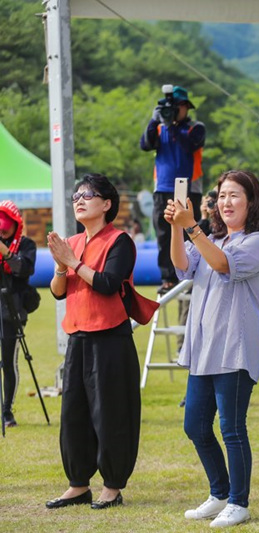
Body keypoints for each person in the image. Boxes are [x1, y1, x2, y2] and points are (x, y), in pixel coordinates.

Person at [165, 170, 259, 528]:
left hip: (236, 347)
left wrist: (191, 227)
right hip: (205, 348)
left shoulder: (258, 242)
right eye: (222, 195)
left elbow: (223, 265)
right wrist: (177, 227)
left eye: (234, 196)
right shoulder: (212, 238)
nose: (226, 202)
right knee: (195, 425)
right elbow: (183, 265)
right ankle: (220, 493)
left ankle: (239, 503)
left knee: (231, 427)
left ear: (251, 202)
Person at [45, 174, 144, 510]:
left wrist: (73, 263)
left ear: (106, 204)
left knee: (111, 413)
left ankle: (113, 486)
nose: (79, 199)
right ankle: (78, 484)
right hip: (78, 337)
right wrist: (61, 267)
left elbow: (107, 282)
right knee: (74, 414)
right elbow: (59, 292)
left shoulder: (120, 242)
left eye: (88, 194)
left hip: (110, 340)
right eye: (76, 195)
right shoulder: (71, 243)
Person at [140, 85, 205, 294]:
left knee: (189, 231)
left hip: (189, 187)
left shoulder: (195, 127)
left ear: (186, 107)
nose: (176, 111)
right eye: (173, 107)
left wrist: (174, 124)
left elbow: (190, 144)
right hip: (162, 187)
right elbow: (145, 145)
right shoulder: (159, 128)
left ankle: (189, 274)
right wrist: (154, 120)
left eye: (179, 107)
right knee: (163, 234)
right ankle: (168, 278)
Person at [0, 201, 36, 428]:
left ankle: (6, 411)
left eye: (5, 229)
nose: (2, 232)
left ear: (16, 225)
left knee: (8, 362)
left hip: (12, 311)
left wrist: (5, 251)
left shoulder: (26, 244)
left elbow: (24, 269)